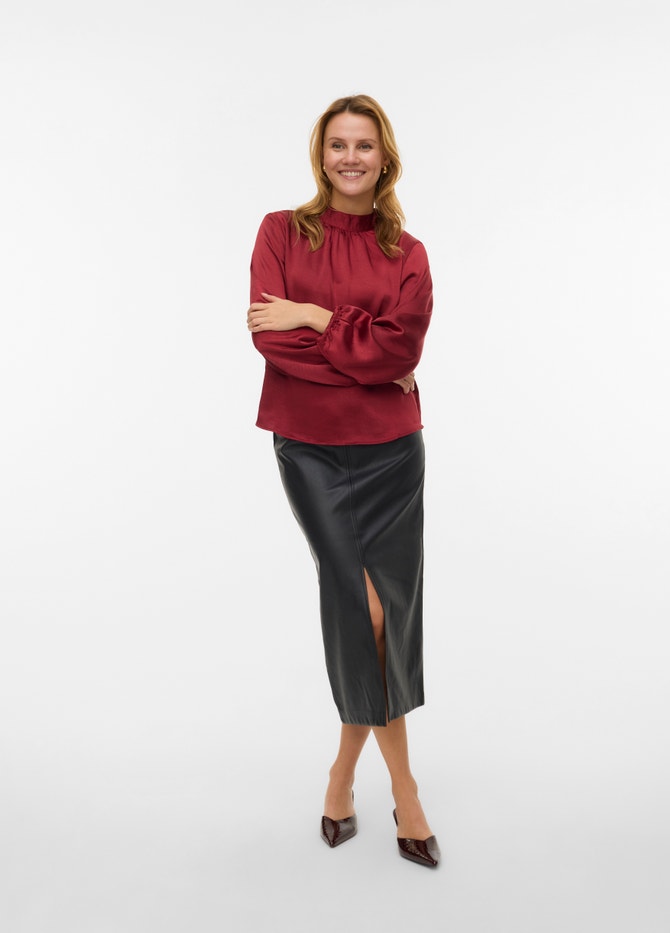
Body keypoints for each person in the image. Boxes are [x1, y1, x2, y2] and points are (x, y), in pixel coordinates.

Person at [246, 94, 440, 868]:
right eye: (337, 144)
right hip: (310, 451)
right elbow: (273, 344)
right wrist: (371, 359)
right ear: (320, 155)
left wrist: (317, 316)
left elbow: (404, 347)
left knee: (384, 618)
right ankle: (407, 789)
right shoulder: (280, 231)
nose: (350, 157)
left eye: (364, 145)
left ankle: (341, 776)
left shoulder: (409, 251)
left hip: (393, 453)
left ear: (384, 158)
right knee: (365, 607)